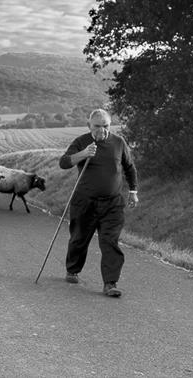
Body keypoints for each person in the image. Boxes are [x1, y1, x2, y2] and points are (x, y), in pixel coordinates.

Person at [58, 109, 138, 297]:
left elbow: (129, 167)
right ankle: (73, 269)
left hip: (112, 203)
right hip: (84, 201)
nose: (102, 130)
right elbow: (64, 163)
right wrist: (84, 154)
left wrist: (133, 191)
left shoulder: (118, 142)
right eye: (97, 126)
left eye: (106, 126)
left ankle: (110, 283)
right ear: (89, 126)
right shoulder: (81, 142)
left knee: (110, 241)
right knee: (79, 238)